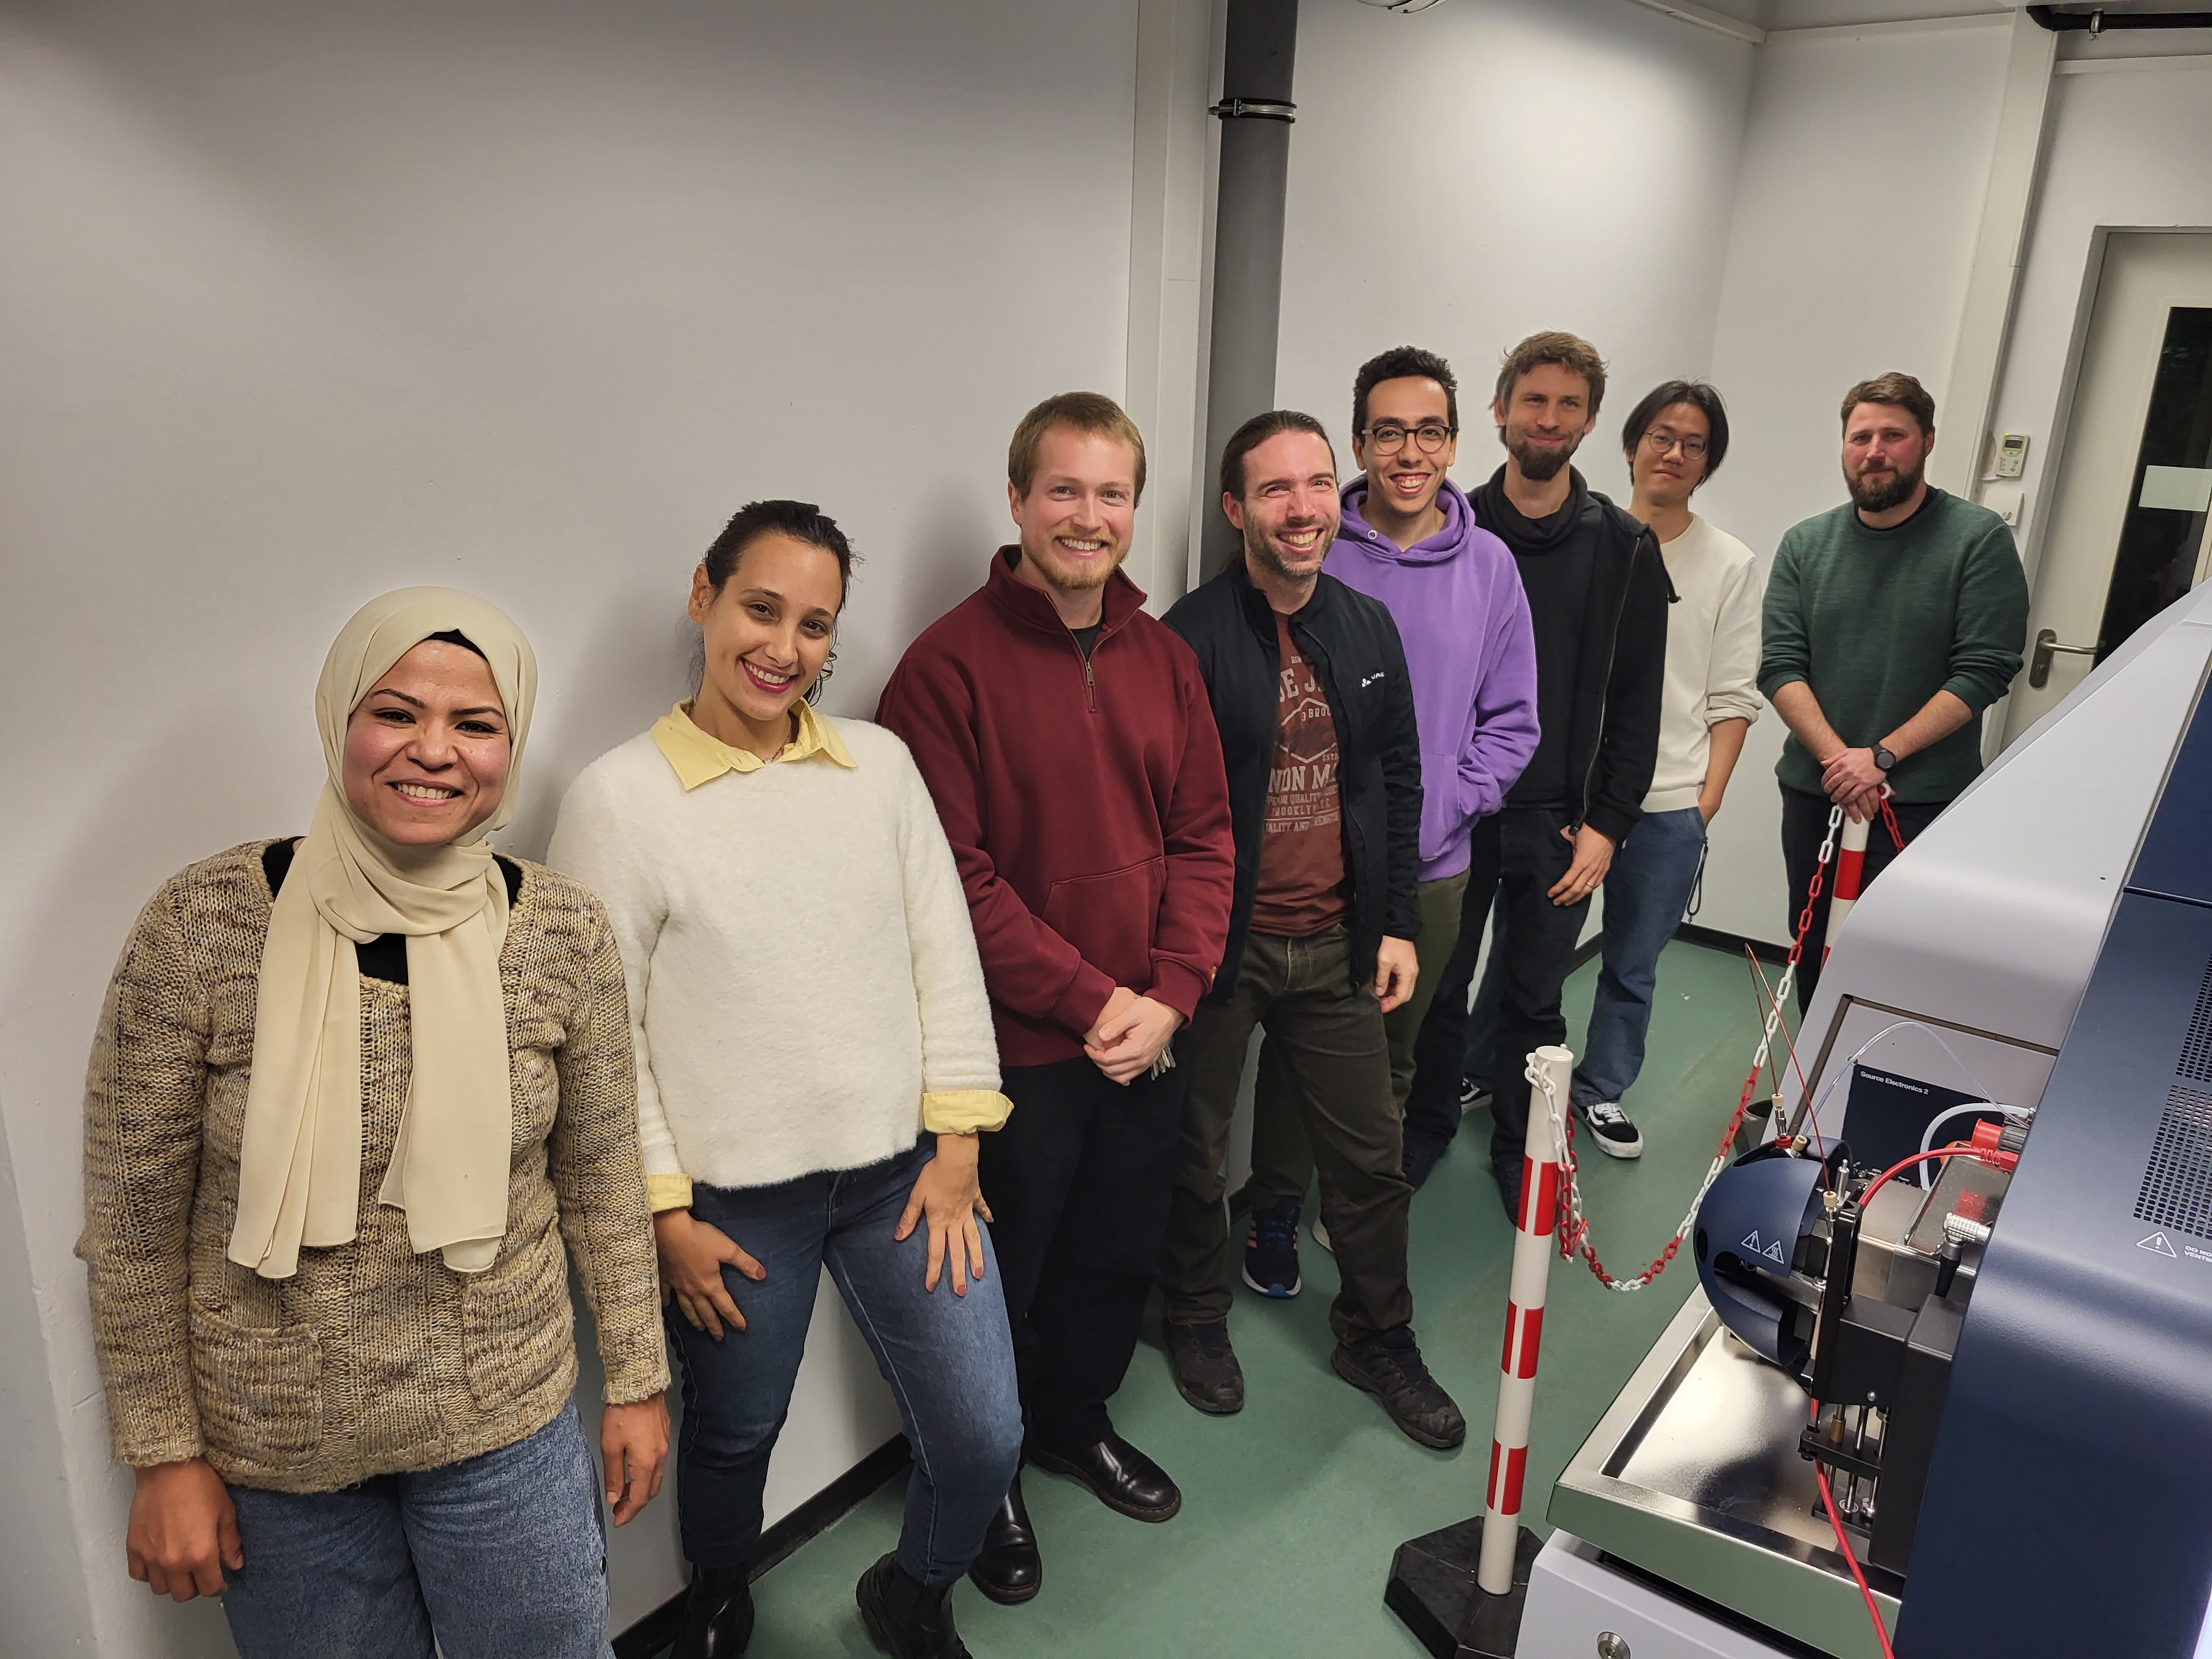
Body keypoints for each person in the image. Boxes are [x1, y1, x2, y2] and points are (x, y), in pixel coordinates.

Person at [77, 589, 670, 1659]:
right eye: (395, 713)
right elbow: (132, 1221)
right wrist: (163, 1454)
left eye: (475, 724)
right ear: (338, 719)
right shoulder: (201, 925)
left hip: (504, 1432)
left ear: (509, 747)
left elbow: (602, 1180)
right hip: (277, 1457)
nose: (433, 751)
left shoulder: (563, 931)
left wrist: (636, 1381)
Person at [549, 501, 1022, 1659]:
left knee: (981, 1436)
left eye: (816, 625)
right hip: (733, 1206)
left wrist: (959, 1139)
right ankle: (718, 1594)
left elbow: (942, 949)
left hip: (903, 1179)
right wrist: (662, 1212)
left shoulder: (879, 767)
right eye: (761, 608)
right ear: (702, 595)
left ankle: (913, 1591)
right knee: (732, 1437)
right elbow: (603, 1043)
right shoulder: (618, 800)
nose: (784, 647)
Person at [877, 393, 1235, 1608]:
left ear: (1135, 507)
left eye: (1111, 494)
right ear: (1019, 500)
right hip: (1017, 1048)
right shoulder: (943, 671)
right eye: (1065, 491)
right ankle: (988, 1472)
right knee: (1003, 1276)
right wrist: (1091, 1000)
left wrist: (1170, 995)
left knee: (1112, 1253)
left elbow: (1204, 839)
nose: (1089, 517)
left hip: (1147, 1036)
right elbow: (951, 883)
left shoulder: (1165, 660)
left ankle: (1074, 1424)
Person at [1156, 410, 1466, 1448]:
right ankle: (1195, 1315)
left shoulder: (1365, 626)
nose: (1304, 509)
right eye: (1277, 489)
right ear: (1236, 508)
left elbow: (1395, 778)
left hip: (1338, 941)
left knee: (1371, 1159)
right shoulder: (1187, 640)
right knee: (1194, 1152)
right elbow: (1162, 813)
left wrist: (1394, 925)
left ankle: (1376, 1336)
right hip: (1222, 948)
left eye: (1320, 484)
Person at [1235, 347, 1538, 1295]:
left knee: (1391, 1054)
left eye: (1430, 431)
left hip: (1432, 865)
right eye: (1390, 431)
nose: (1411, 451)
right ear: (1361, 441)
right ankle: (1274, 1207)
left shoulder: (1489, 566)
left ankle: (1356, 1201)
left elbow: (1513, 720)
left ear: (1455, 441)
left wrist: (1449, 803)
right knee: (1298, 1054)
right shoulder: (1314, 545)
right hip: (1313, 863)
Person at [1402, 331, 1670, 1213]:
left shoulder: (1625, 549)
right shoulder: (1451, 530)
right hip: (1459, 814)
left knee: (1534, 999)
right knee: (1439, 991)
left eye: (1568, 405)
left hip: (1561, 821)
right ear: (1499, 410)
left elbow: (1635, 704)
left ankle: (1523, 1154)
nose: (1548, 420)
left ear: (1590, 422)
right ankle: (1424, 1132)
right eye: (1534, 401)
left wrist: (1608, 825)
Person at [1761, 372, 2029, 1011]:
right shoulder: (1805, 544)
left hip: (1919, 801)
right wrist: (1842, 762)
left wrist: (1881, 756)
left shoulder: (1976, 539)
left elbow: (1984, 669)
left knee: (1895, 964)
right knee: (1814, 950)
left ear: (1927, 441)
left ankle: (1875, 1075)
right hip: (1818, 792)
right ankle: (1814, 1072)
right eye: (1860, 438)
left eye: (1893, 436)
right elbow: (1779, 666)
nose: (1874, 451)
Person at [1563, 380, 1764, 1156]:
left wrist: (1703, 802)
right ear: (1630, 445)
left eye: (1693, 444)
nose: (1673, 454)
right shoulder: (1585, 540)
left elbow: (1733, 694)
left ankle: (1601, 1090)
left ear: (1707, 463)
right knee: (1530, 950)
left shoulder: (1729, 563)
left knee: (1632, 964)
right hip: (1572, 798)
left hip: (1667, 804)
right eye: (1660, 436)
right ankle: (1489, 1070)